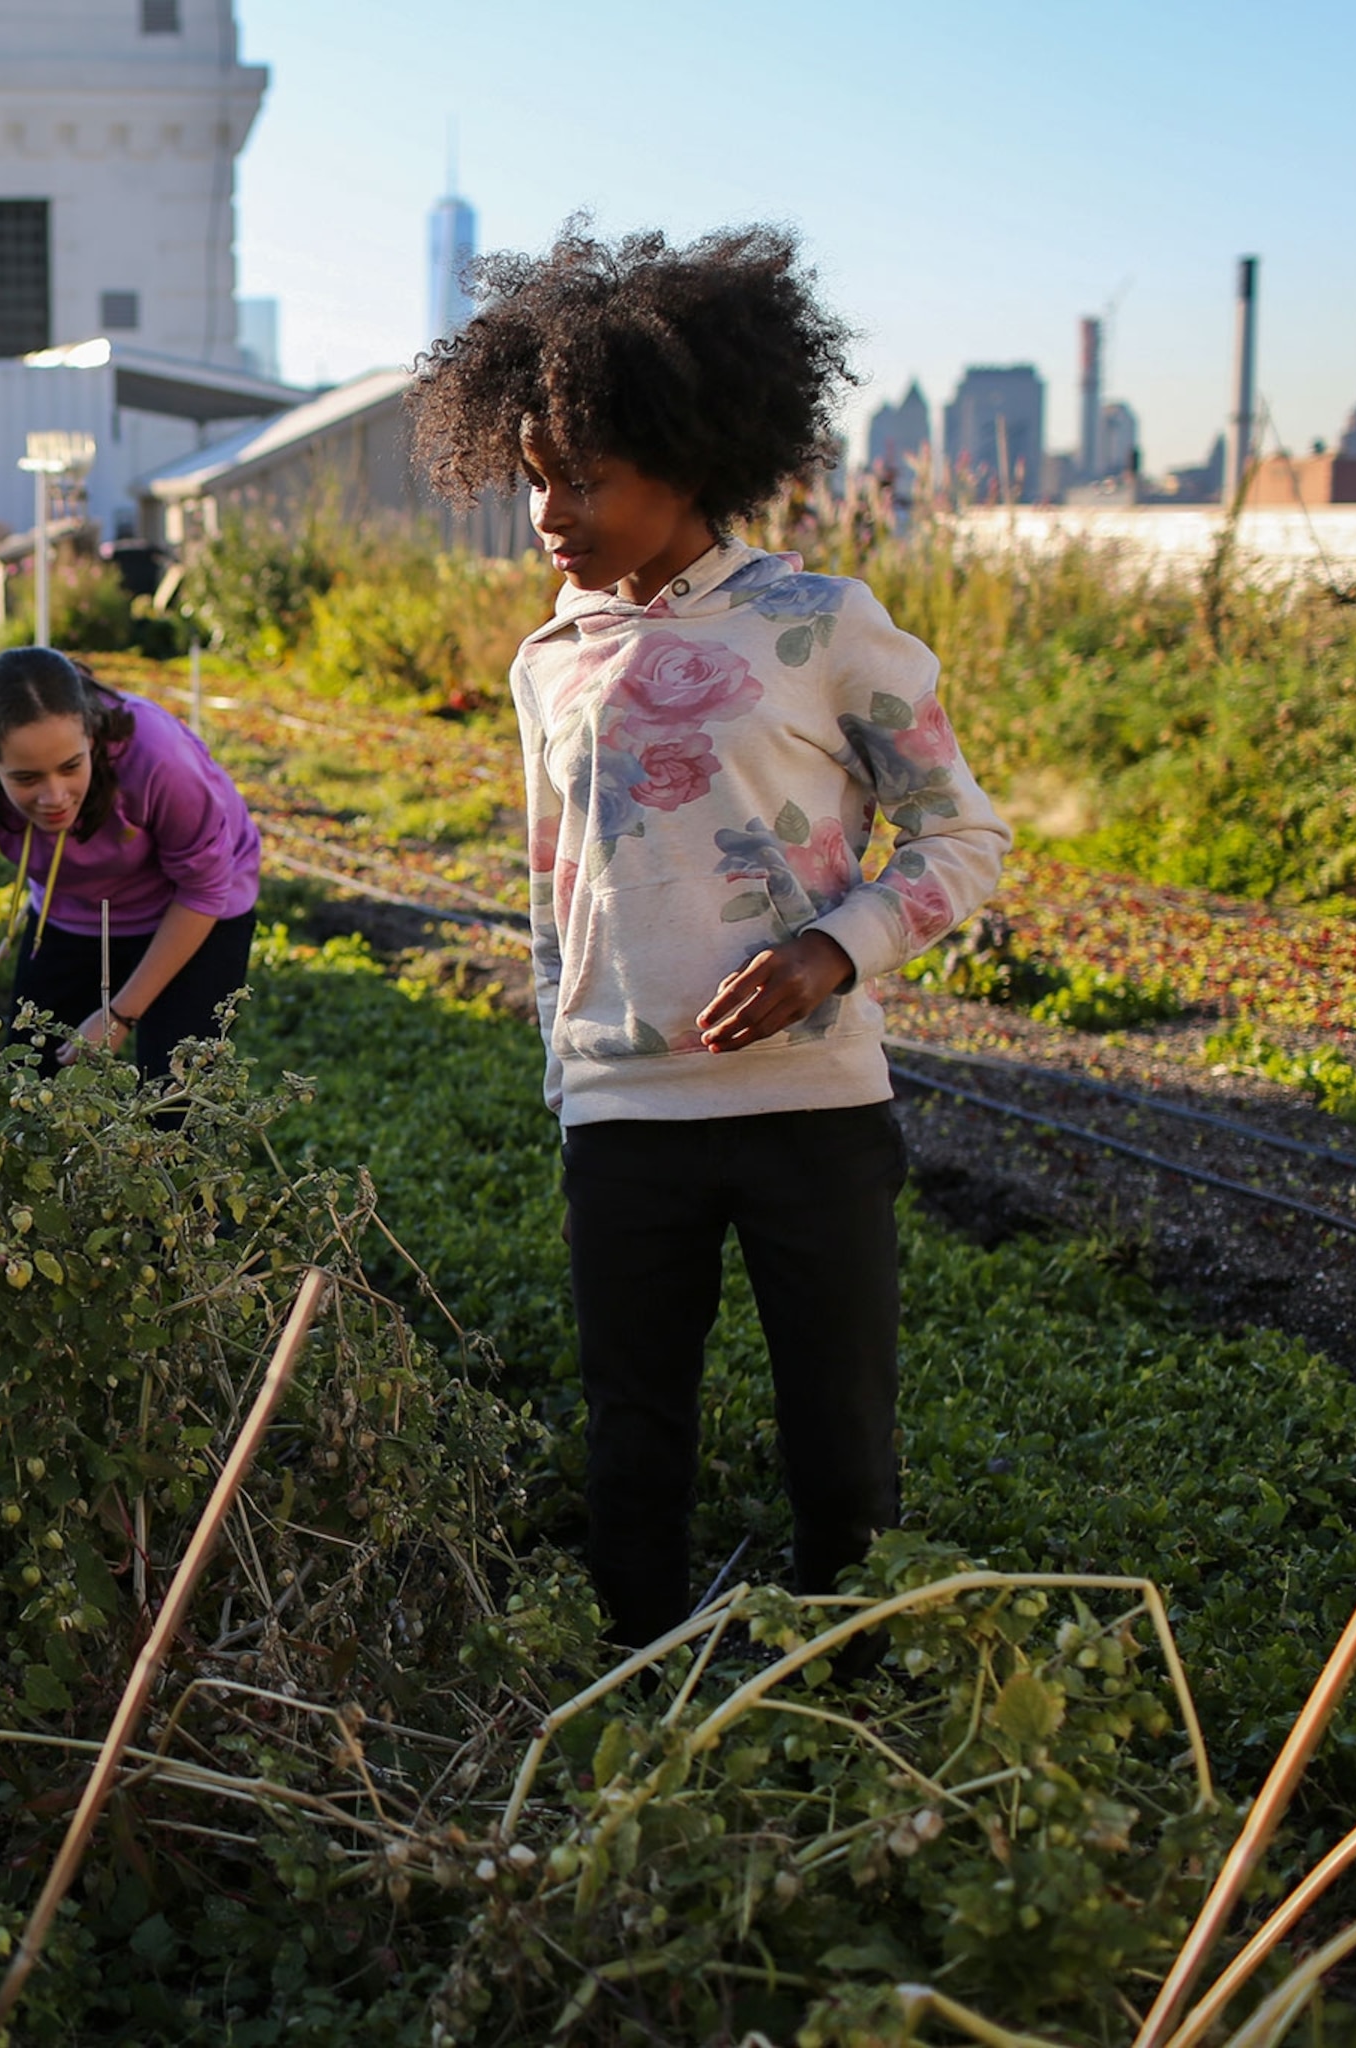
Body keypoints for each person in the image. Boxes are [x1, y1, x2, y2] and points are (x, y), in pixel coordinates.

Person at [405, 225, 1011, 1649]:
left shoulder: (821, 625)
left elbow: (962, 837)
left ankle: (843, 1695)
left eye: (586, 475)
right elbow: (555, 882)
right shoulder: (547, 659)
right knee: (632, 1442)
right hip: (625, 1111)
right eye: (535, 475)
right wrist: (569, 1066)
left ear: (690, 455)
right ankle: (635, 1690)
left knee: (841, 1444)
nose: (550, 509)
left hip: (811, 1108)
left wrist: (828, 952)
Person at [0, 647, 263, 1086]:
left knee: (174, 1099)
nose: (54, 797)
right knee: (30, 1083)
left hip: (195, 911)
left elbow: (205, 889)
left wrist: (119, 1013)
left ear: (91, 737)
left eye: (70, 767)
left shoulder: (159, 756)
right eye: (27, 778)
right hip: (74, 908)